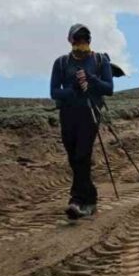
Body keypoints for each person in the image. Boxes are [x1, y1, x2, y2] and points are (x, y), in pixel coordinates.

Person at [50, 24, 113, 219]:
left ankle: (78, 201)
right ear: (70, 40)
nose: (81, 42)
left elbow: (109, 88)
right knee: (73, 158)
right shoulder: (61, 63)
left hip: (90, 113)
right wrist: (73, 91)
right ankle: (89, 195)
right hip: (68, 115)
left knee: (82, 156)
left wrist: (91, 79)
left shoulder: (101, 60)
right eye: (77, 39)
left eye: (85, 39)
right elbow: (54, 92)